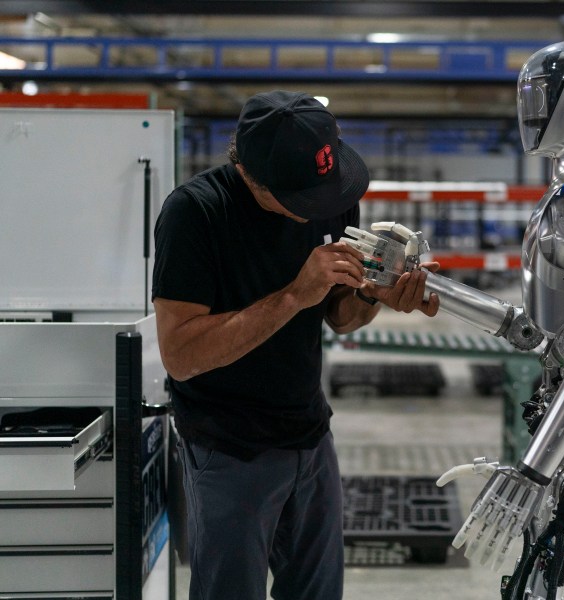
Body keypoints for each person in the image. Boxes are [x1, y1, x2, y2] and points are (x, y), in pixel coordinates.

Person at [152, 90, 439, 600]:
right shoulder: (195, 214)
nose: (322, 210)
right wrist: (292, 296)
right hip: (227, 446)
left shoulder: (330, 196)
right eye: (305, 200)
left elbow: (339, 316)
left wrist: (375, 295)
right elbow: (181, 356)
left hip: (309, 435)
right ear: (254, 178)